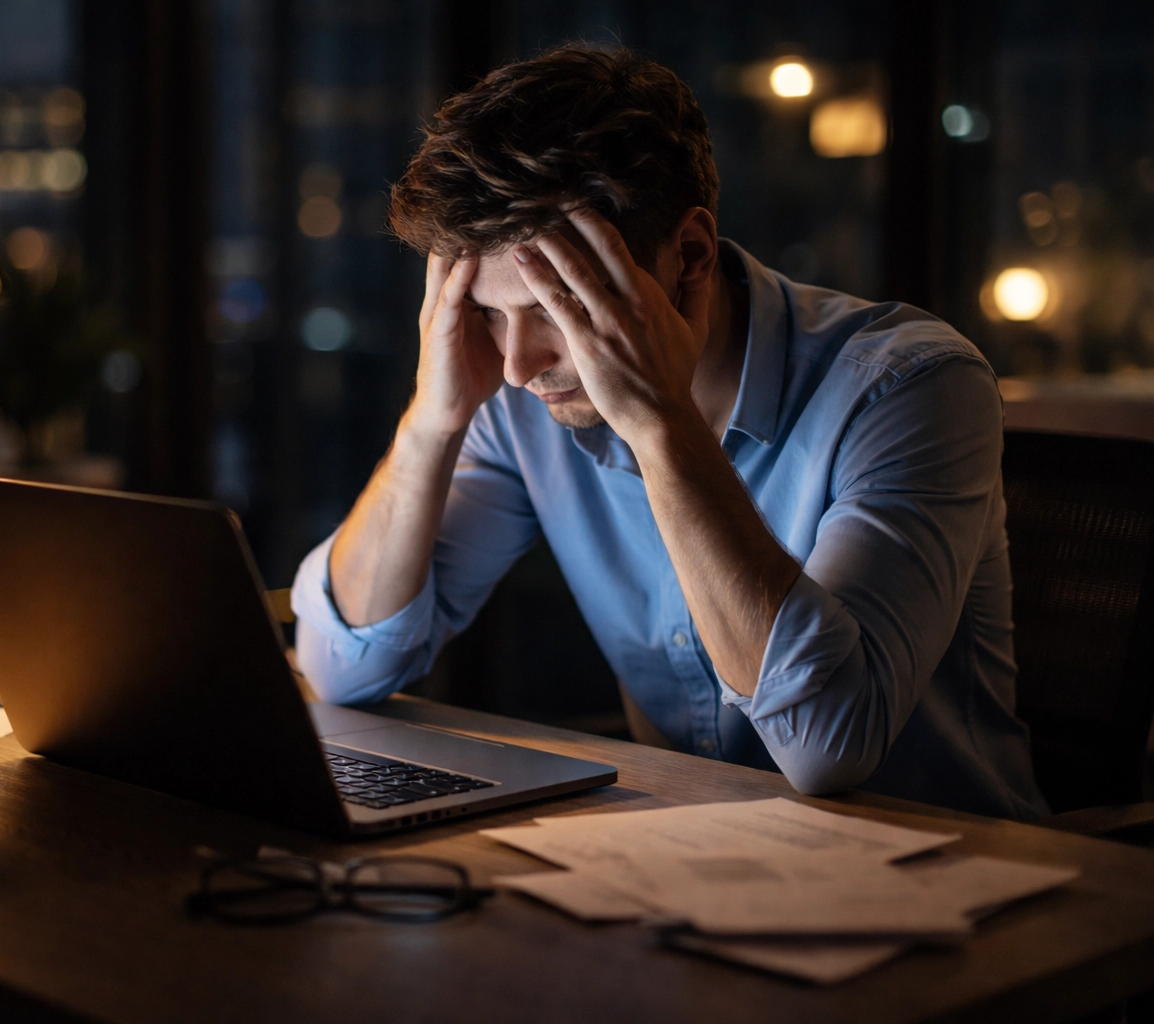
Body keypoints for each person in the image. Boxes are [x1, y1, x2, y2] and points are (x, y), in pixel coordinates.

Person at [289, 44, 1048, 820]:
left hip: (953, 878)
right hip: (685, 861)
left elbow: (827, 745)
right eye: (485, 311)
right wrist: (432, 417)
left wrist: (659, 423)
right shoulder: (520, 401)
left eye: (558, 311)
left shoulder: (909, 386)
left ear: (687, 255)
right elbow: (342, 665)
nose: (517, 365)